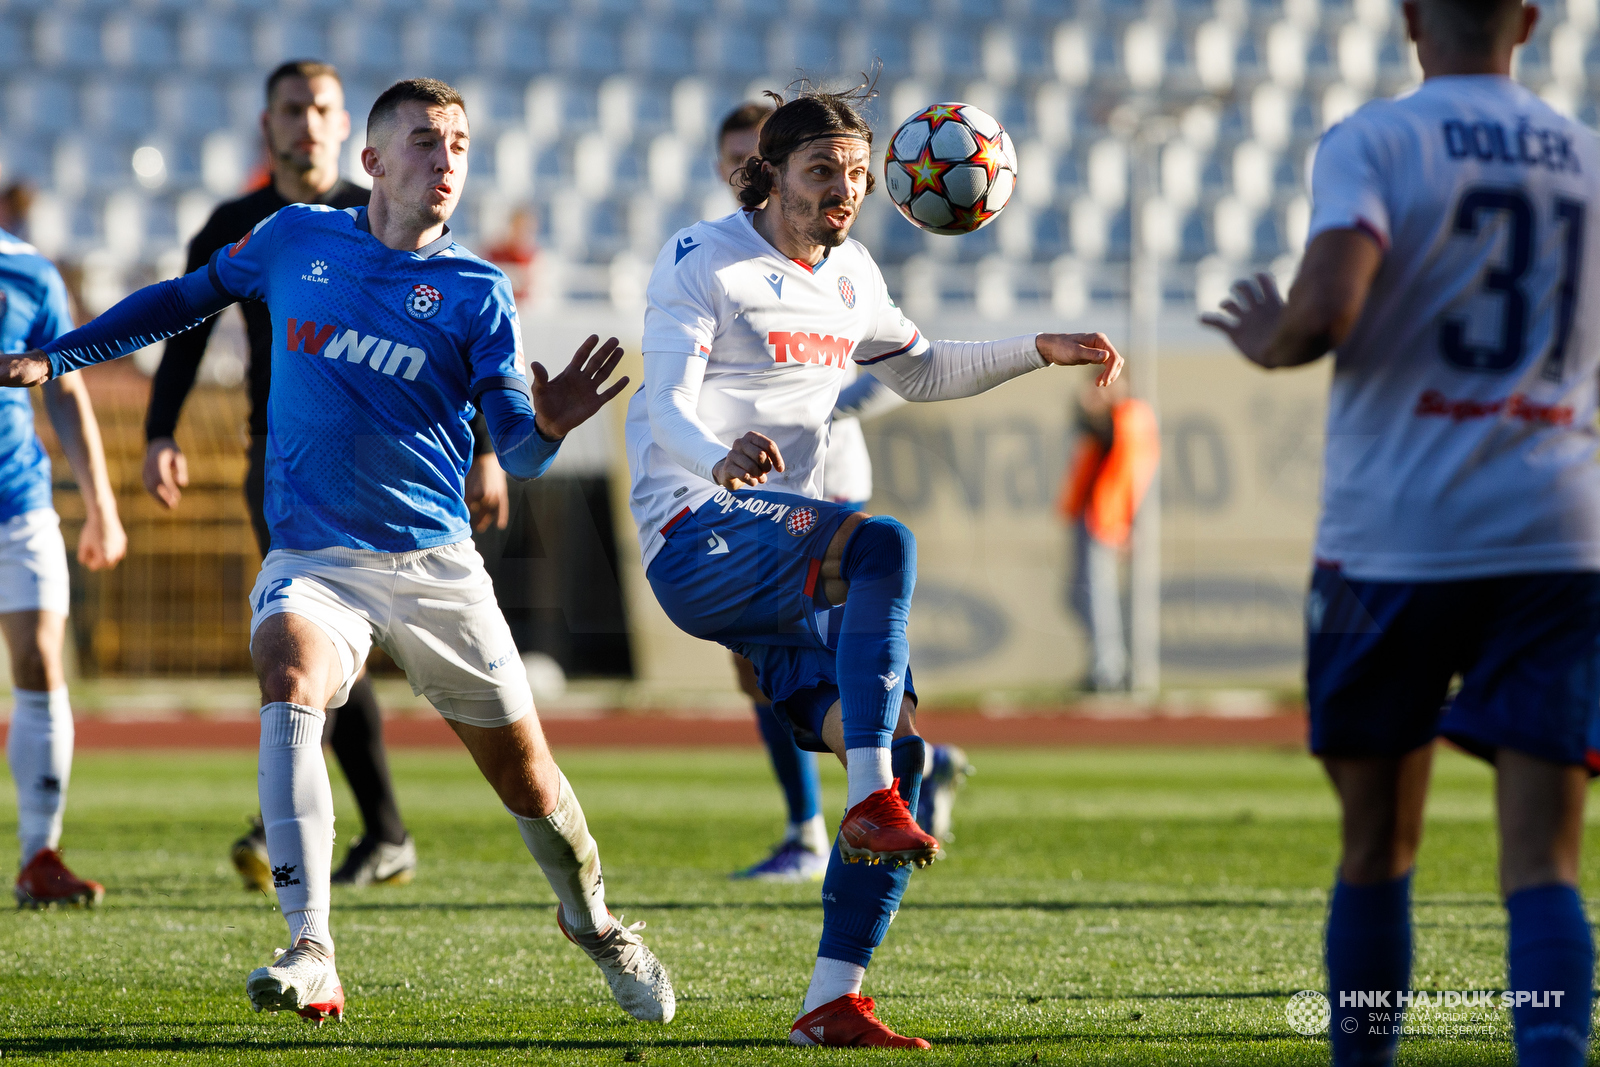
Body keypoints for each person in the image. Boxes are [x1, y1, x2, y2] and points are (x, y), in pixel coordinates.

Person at [0, 78, 672, 1026]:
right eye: (426, 142)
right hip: (315, 557)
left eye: (460, 146)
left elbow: (515, 443)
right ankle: (310, 943)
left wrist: (548, 429)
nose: (446, 162)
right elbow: (184, 300)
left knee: (528, 781)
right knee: (287, 671)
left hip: (436, 566)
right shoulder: (294, 239)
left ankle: (594, 919)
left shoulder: (479, 291)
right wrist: (62, 354)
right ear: (374, 161)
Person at [631, 81, 1122, 1048]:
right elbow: (666, 402)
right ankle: (866, 800)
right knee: (884, 543)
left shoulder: (851, 273)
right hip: (694, 525)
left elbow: (924, 368)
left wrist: (1039, 348)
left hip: (784, 548)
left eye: (857, 174)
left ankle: (831, 998)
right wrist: (716, 459)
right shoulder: (704, 258)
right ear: (769, 175)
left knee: (902, 746)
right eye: (823, 172)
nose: (843, 190)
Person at [1202, 1, 1600, 1062]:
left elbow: (1328, 306)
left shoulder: (1375, 138)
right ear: (1528, 20)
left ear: (1412, 18)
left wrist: (1265, 337)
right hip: (1556, 532)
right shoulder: (1586, 157)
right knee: (1545, 861)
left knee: (1377, 843)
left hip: (1396, 536)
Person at [143, 59, 510, 893]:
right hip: (282, 460)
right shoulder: (243, 222)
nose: (308, 122)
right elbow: (186, 324)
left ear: (350, 130)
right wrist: (160, 429)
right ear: (266, 124)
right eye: (292, 108)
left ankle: (358, 821)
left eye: (323, 108)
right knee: (307, 637)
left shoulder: (381, 210)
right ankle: (363, 824)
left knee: (326, 645)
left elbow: (468, 342)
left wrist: (491, 448)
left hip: (399, 467)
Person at [710, 104, 969, 880]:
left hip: (825, 488)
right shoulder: (728, 259)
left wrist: (816, 402)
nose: (737, 173)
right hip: (761, 490)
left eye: (746, 155)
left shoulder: (840, 261)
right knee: (772, 668)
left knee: (806, 660)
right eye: (727, 158)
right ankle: (867, 786)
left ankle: (829, 816)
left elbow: (897, 370)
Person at [0, 213, 126, 907]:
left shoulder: (29, 270)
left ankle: (38, 855)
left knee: (41, 663)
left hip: (18, 500)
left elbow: (66, 384)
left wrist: (102, 505)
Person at [1055, 376, 1158, 693]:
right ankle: (1111, 662)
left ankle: (1109, 669)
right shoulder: (1113, 416)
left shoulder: (1130, 414)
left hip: (1106, 515)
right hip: (1093, 513)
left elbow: (1120, 455)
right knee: (1078, 596)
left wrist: (1129, 523)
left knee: (1098, 597)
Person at [483, 206, 539, 305]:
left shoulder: (532, 258)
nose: (521, 233)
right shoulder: (495, 253)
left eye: (526, 229)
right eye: (518, 227)